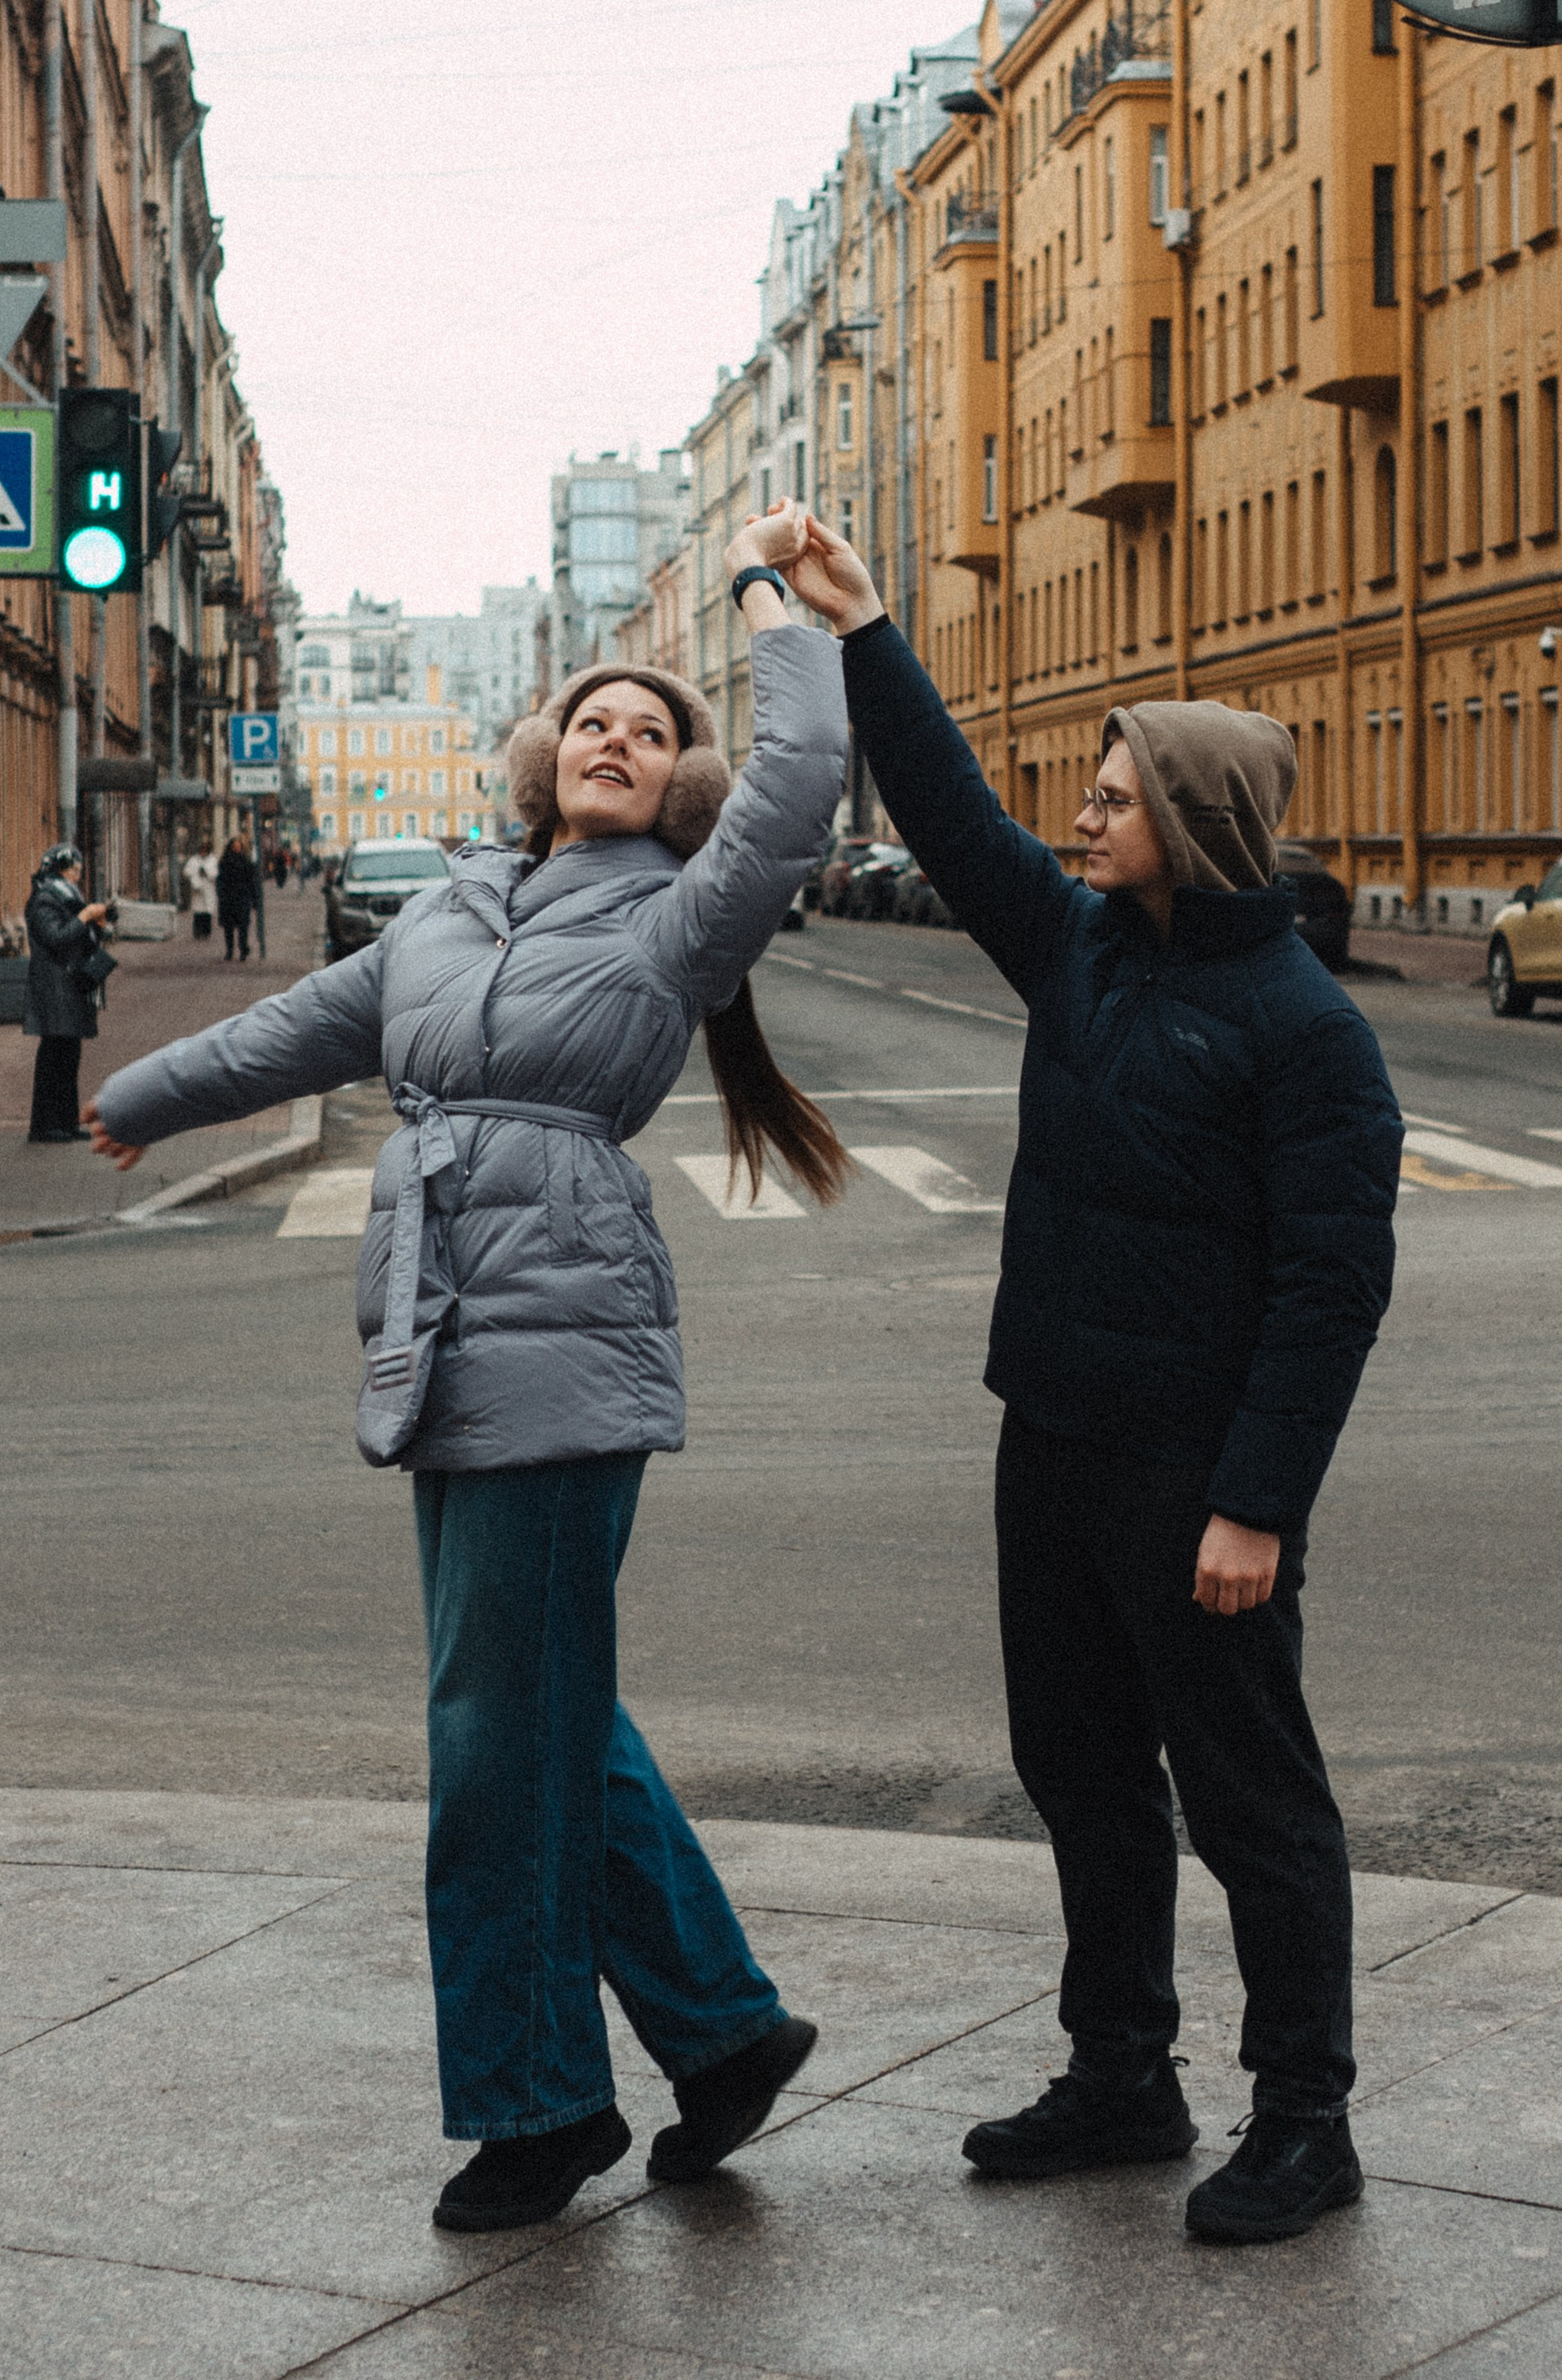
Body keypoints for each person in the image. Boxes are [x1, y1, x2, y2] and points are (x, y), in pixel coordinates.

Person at [87, 506, 850, 2236]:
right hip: (436, 1331)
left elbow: (798, 781)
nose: (617, 738)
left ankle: (537, 2105)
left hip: (566, 1334)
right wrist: (143, 1095)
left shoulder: (679, 919)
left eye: (653, 732)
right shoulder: (452, 905)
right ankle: (723, 2033)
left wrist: (773, 607)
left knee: (497, 1736)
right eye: (595, 716)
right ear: (542, 751)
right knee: (536, 1712)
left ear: (673, 790)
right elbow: (301, 1031)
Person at [782, 515, 1402, 2249]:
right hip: (1046, 1438)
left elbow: (1331, 1289)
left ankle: (1305, 2118)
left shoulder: (1304, 1031)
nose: (1081, 816)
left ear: (1188, 826)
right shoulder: (1082, 957)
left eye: (1113, 797)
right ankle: (1123, 2074)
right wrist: (865, 631)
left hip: (1193, 1474)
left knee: (1251, 1802)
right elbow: (953, 819)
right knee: (1078, 1771)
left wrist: (1255, 1503)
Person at [21, 843, 113, 1143]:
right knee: (53, 1056)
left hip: (70, 984)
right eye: (73, 869)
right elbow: (57, 938)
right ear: (59, 870)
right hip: (54, 986)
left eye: (78, 869)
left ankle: (67, 1121)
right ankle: (45, 1126)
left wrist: (97, 925)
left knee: (69, 1055)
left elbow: (81, 939)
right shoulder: (45, 900)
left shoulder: (68, 897)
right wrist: (85, 916)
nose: (77, 875)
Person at [215, 833, 259, 963]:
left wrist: (254, 899)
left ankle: (243, 949)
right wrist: (221, 894)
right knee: (228, 927)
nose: (237, 848)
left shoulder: (246, 862)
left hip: (242, 898)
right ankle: (229, 950)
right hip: (228, 899)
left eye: (239, 846)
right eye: (235, 846)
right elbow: (220, 880)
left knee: (243, 926)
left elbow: (252, 882)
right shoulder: (225, 862)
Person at [182, 845, 217, 940]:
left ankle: (206, 932)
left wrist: (207, 873)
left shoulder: (212, 860)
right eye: (202, 851)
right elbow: (186, 871)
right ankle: (197, 932)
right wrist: (194, 874)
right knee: (198, 912)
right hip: (197, 888)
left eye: (205, 851)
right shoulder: (194, 860)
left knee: (207, 912)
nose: (203, 853)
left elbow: (216, 873)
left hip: (208, 888)